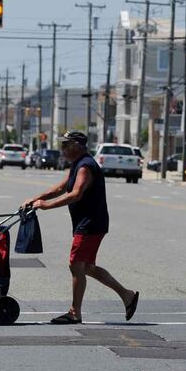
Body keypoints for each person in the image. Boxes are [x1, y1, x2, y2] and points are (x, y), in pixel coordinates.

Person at [22, 131, 139, 324]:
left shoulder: (86, 166)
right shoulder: (77, 165)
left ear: (77, 145)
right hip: (88, 222)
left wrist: (46, 206)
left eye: (66, 144)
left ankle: (75, 312)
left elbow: (76, 194)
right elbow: (60, 189)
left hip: (90, 224)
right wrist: (36, 199)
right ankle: (127, 296)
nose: (63, 148)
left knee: (76, 265)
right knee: (87, 267)